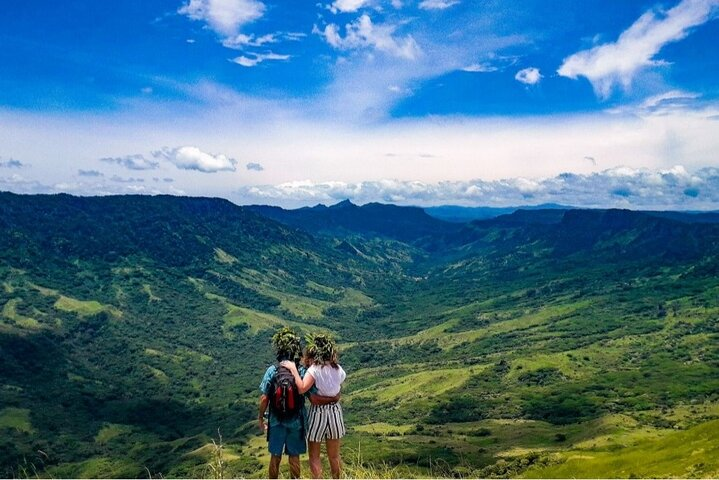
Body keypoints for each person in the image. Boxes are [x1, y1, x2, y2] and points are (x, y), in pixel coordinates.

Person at [258, 327, 339, 479]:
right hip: (297, 421)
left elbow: (264, 398)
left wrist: (261, 417)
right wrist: (333, 398)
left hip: (276, 421)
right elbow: (313, 397)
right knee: (294, 457)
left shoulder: (272, 370)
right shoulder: (301, 371)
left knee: (275, 456)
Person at [281, 333, 346, 479]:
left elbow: (302, 388)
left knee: (315, 456)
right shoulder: (338, 369)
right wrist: (334, 397)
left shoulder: (314, 369)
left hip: (318, 413)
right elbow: (338, 386)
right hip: (335, 412)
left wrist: (294, 370)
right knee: (334, 456)